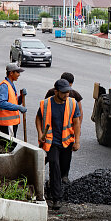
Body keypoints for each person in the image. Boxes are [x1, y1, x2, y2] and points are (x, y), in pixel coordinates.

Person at [36, 78, 81, 210]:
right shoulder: (45, 104)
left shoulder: (72, 103)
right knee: (54, 166)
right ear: (56, 91)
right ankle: (56, 198)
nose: (66, 94)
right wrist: (40, 133)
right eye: (63, 92)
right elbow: (38, 118)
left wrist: (77, 141)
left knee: (62, 169)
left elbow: (76, 122)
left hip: (67, 142)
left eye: (68, 92)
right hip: (52, 142)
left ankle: (53, 186)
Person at [44, 72, 84, 185]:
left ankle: (64, 176)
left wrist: (77, 133)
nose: (67, 92)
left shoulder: (74, 95)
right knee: (53, 159)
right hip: (54, 134)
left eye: (69, 87)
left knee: (66, 158)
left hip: (68, 134)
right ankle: (54, 181)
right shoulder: (51, 93)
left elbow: (79, 114)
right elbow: (44, 110)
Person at [0, 63, 27, 137]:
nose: (19, 75)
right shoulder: (4, 86)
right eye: (17, 72)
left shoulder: (10, 85)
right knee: (9, 144)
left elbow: (14, 102)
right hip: (8, 123)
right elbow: (2, 103)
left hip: (11, 122)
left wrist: (21, 97)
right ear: (11, 73)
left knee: (11, 142)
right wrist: (18, 107)